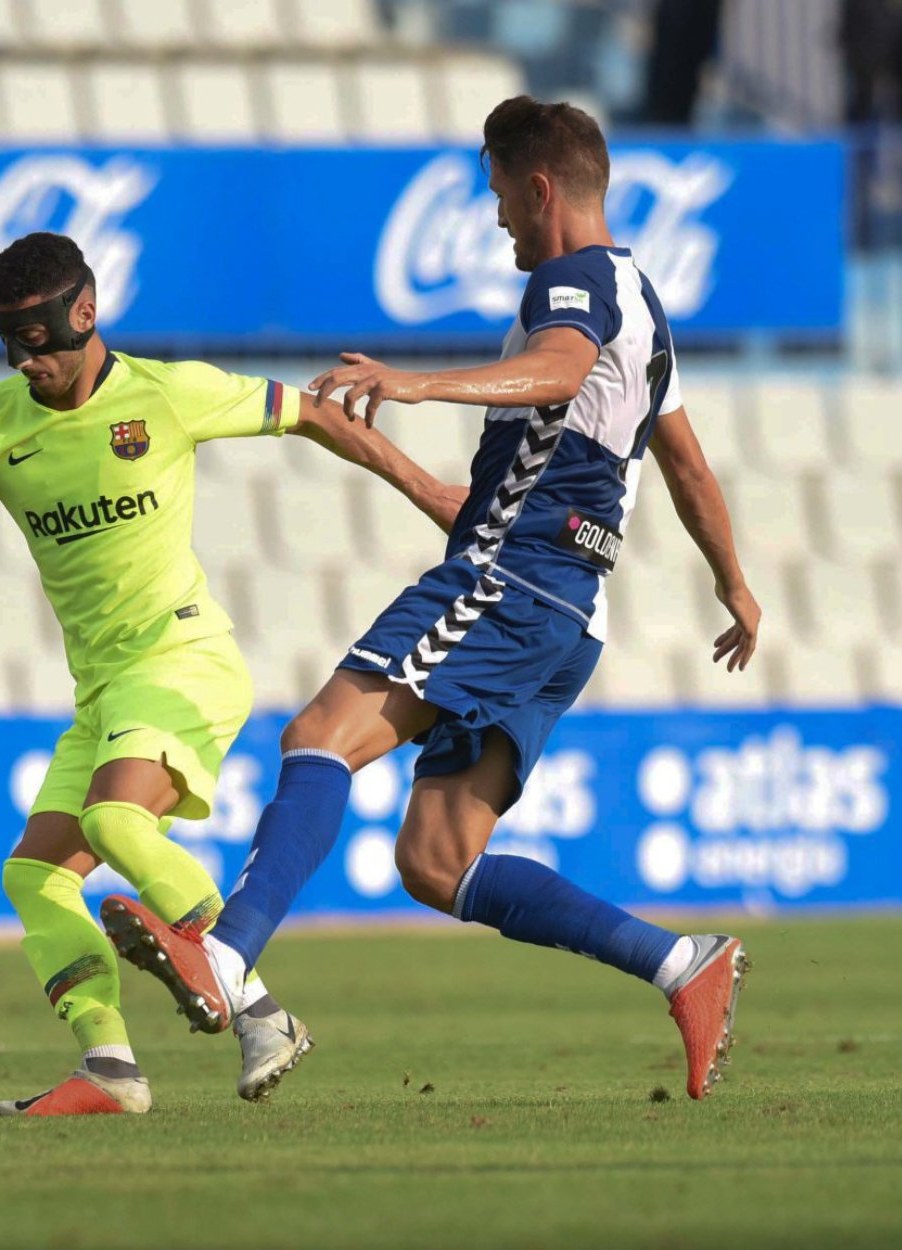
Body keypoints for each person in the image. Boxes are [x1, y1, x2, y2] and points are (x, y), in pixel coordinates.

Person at [103, 96, 765, 1102]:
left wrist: (418, 384)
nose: (496, 215)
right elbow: (685, 470)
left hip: (510, 582)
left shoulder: (573, 285)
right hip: (566, 613)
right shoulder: (645, 305)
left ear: (540, 188)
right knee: (436, 858)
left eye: (500, 193)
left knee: (321, 735)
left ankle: (228, 958)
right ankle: (682, 964)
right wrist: (734, 582)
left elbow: (553, 371)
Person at [0, 231, 455, 1116]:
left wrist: (432, 492)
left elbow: (317, 413)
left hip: (185, 660)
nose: (27, 358)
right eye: (9, 340)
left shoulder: (169, 394)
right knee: (35, 878)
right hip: (103, 690)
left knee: (114, 818)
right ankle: (111, 1070)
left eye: (40, 336)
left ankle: (256, 1006)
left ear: (84, 312)